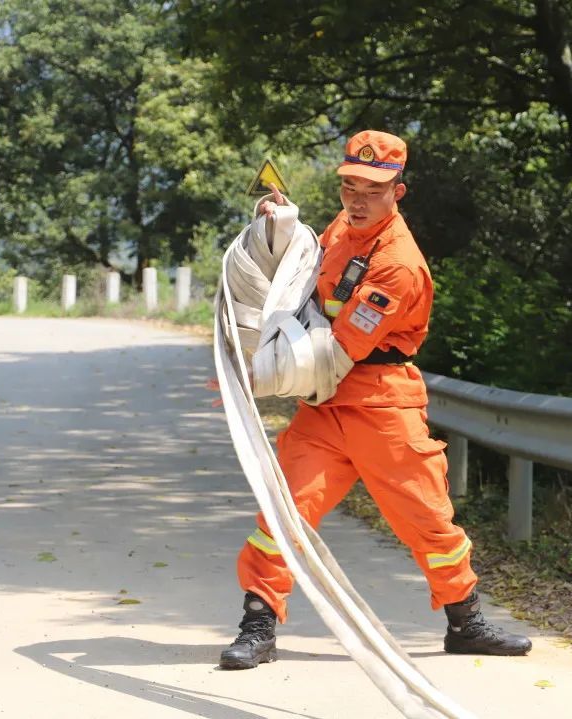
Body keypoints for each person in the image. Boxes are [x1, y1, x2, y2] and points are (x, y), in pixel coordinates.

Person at [219, 130, 532, 670]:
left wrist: (258, 373)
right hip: (325, 411)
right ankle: (258, 622)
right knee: (282, 515)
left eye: (373, 189)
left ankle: (466, 622)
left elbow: (336, 354)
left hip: (380, 404)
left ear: (399, 191)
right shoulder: (343, 228)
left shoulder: (399, 266)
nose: (357, 200)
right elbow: (301, 276)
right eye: (349, 187)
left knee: (428, 521)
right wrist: (279, 228)